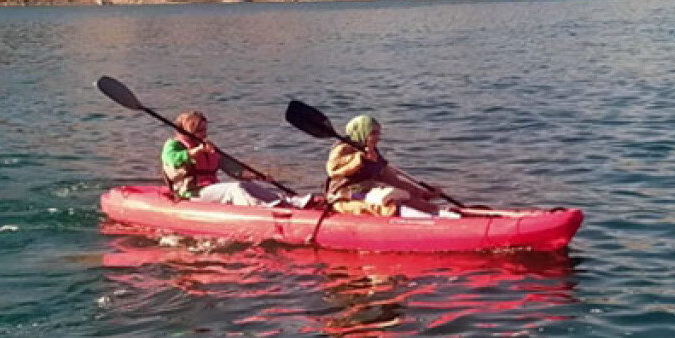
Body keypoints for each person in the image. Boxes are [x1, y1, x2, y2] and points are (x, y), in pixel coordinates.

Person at [162, 111, 308, 207]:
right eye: (200, 131)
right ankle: (260, 208)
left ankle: (289, 202)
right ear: (188, 130)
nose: (204, 134)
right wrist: (197, 151)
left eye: (205, 130)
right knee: (235, 189)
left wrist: (258, 176)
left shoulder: (207, 147)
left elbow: (234, 169)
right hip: (191, 193)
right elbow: (174, 160)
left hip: (210, 189)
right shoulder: (173, 145)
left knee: (249, 186)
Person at [325, 115, 455, 217]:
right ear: (362, 132)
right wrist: (360, 158)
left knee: (408, 197)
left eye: (378, 133)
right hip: (343, 198)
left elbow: (394, 181)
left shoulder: (374, 153)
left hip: (366, 192)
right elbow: (332, 169)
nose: (378, 137)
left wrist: (423, 193)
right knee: (389, 206)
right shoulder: (343, 149)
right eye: (374, 133)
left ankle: (441, 216)